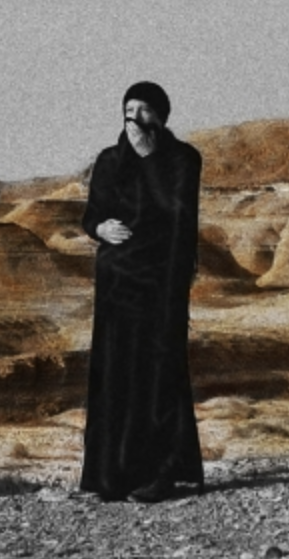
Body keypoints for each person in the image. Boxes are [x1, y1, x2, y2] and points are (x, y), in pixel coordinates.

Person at [79, 80, 204, 503]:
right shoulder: (109, 161)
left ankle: (164, 474)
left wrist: (150, 160)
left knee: (158, 374)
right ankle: (110, 478)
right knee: (115, 374)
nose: (134, 117)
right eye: (129, 109)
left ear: (161, 116)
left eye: (144, 109)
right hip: (116, 287)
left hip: (161, 282)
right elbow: (91, 215)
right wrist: (99, 228)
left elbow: (178, 213)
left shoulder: (183, 159)